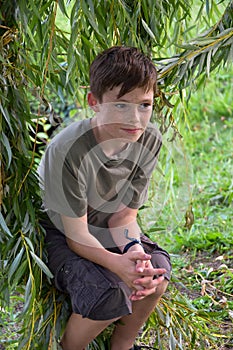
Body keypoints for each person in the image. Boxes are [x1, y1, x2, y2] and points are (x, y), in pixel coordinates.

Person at [38, 46, 172, 350]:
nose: (136, 118)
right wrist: (116, 264)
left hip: (107, 227)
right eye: (122, 105)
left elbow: (123, 216)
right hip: (66, 233)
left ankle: (122, 345)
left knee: (156, 274)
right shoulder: (67, 151)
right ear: (94, 102)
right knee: (106, 294)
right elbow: (77, 235)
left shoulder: (149, 140)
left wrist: (134, 253)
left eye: (145, 105)